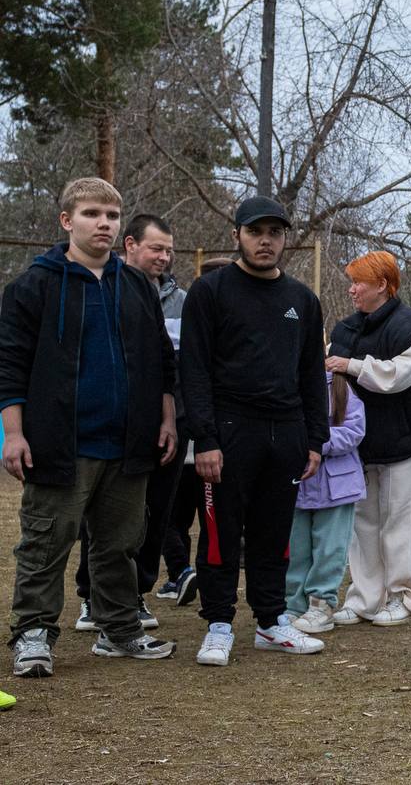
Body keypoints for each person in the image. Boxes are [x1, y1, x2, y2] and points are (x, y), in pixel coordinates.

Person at [1, 177, 178, 677]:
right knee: (45, 543)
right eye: (92, 214)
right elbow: (9, 365)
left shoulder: (137, 288)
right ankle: (34, 633)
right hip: (59, 445)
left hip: (128, 445)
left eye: (112, 216)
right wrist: (14, 434)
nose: (104, 223)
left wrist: (165, 419)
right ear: (67, 221)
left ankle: (119, 631)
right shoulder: (34, 286)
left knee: (120, 544)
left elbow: (162, 362)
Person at [181, 197, 329, 666]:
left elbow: (311, 373)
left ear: (285, 238)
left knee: (274, 533)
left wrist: (314, 440)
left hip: (284, 433)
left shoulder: (302, 300)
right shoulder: (211, 291)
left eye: (275, 232)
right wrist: (204, 438)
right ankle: (218, 625)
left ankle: (271, 622)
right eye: (255, 231)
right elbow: (194, 369)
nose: (266, 240)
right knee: (221, 532)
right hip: (228, 431)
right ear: (237, 236)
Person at [74, 214, 187, 633]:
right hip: (115, 425)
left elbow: (175, 366)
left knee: (155, 514)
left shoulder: (182, 301)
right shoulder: (104, 290)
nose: (164, 256)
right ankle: (92, 597)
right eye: (157, 248)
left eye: (169, 250)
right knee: (103, 517)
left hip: (169, 422)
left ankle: (136, 594)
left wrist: (173, 417)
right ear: (131, 245)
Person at [327, 251, 411, 627]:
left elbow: (399, 376)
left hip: (408, 440)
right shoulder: (345, 330)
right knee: (363, 524)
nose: (352, 289)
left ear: (382, 284)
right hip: (362, 443)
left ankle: (404, 598)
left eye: (358, 281)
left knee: (402, 522)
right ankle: (364, 598)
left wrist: (353, 365)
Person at [158, 257, 232, 604]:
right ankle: (182, 574)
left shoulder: (222, 327)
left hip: (207, 444)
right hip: (187, 439)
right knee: (175, 516)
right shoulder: (192, 323)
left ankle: (188, 574)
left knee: (195, 518)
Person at [286, 372, 366, 633]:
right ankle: (293, 606)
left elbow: (355, 430)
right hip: (296, 484)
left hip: (337, 486)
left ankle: (322, 605)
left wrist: (316, 441)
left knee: (330, 550)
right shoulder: (284, 382)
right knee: (296, 549)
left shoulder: (339, 386)